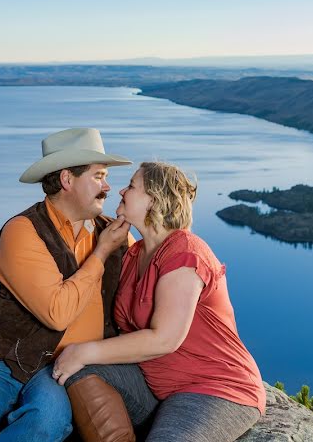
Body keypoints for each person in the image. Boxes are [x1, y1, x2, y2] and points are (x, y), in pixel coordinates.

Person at [0, 127, 133, 441]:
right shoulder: (22, 231)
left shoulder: (117, 237)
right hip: (3, 358)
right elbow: (57, 313)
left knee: (46, 422)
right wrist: (102, 251)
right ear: (67, 179)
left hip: (62, 369)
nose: (108, 187)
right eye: (98, 176)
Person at [52, 161, 265, 442]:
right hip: (156, 386)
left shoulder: (185, 252)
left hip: (214, 388)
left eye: (131, 186)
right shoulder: (133, 254)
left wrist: (83, 351)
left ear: (153, 199)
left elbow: (165, 339)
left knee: (82, 360)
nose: (121, 191)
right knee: (82, 373)